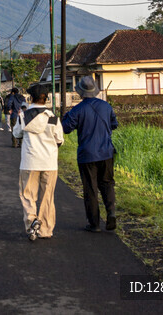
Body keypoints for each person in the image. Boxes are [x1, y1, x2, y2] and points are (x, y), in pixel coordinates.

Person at [61, 76, 118, 232]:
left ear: (80, 92)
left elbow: (65, 128)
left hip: (87, 155)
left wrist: (65, 117)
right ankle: (111, 213)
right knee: (107, 183)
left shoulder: (77, 110)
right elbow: (114, 125)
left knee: (90, 188)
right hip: (106, 152)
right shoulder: (106, 106)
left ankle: (94, 224)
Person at [19, 83, 64, 241]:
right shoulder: (53, 118)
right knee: (47, 197)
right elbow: (59, 139)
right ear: (46, 99)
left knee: (28, 194)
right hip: (49, 162)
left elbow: (17, 133)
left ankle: (32, 222)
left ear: (31, 98)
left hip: (29, 161)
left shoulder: (24, 116)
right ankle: (45, 230)